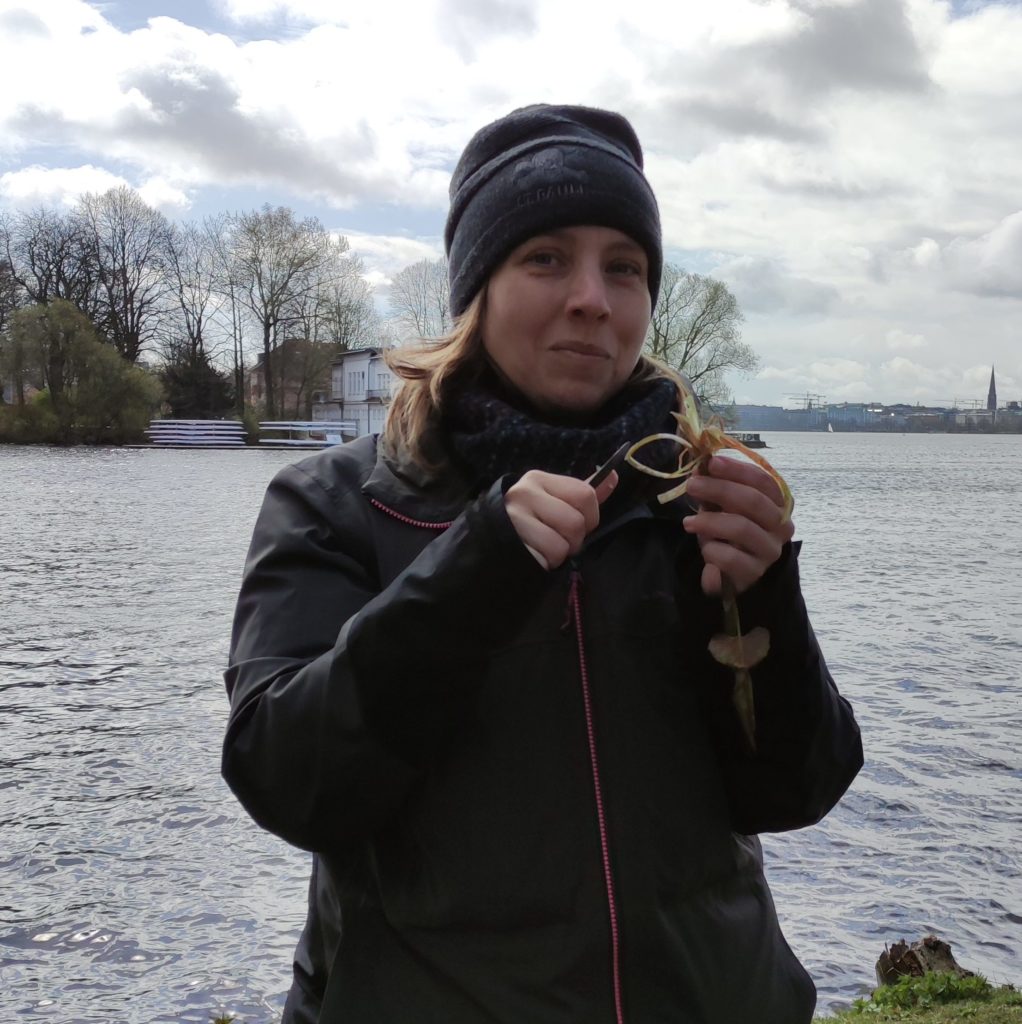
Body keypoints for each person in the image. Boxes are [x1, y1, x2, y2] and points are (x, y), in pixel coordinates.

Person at [222, 103, 862, 1024]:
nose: (593, 299)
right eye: (546, 258)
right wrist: (475, 569)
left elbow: (795, 790)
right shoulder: (336, 502)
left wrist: (764, 601)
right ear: (476, 290)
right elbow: (287, 780)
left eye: (625, 268)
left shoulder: (692, 497)